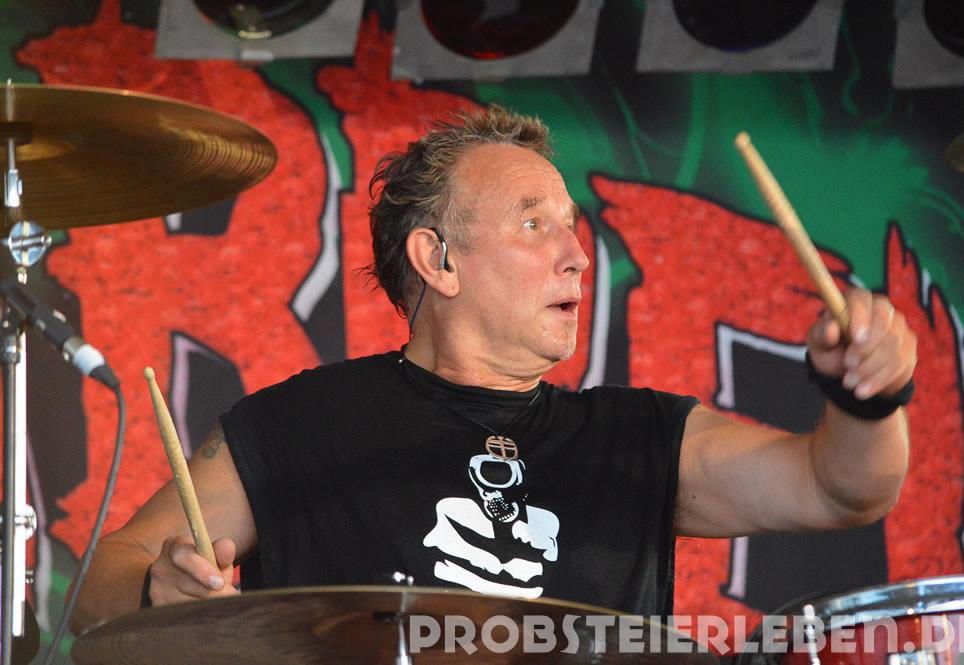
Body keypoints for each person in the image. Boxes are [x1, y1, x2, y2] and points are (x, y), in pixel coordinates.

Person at [69, 106, 916, 633]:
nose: (577, 254)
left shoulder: (638, 439)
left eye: (573, 226)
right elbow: (101, 578)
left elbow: (841, 488)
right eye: (534, 223)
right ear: (437, 259)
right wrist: (156, 587)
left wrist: (868, 396)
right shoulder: (297, 425)